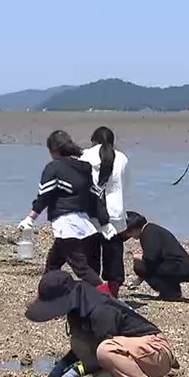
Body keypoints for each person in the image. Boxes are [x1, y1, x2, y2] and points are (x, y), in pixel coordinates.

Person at [25, 270, 179, 377]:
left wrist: (74, 372)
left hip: (156, 353)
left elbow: (99, 353)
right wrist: (59, 370)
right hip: (133, 351)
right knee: (79, 342)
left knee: (105, 350)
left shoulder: (100, 309)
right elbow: (85, 350)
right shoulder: (79, 304)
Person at [18, 130, 116, 290]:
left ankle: (108, 299)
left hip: (66, 226)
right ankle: (45, 296)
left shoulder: (53, 168)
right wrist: (104, 222)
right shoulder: (84, 167)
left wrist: (30, 218)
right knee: (53, 263)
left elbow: (44, 197)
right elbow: (94, 196)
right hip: (85, 225)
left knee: (82, 269)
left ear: (53, 150)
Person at [80, 127, 130, 298]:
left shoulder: (85, 156)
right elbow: (125, 186)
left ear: (93, 141)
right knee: (114, 256)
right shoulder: (122, 158)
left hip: (92, 215)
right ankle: (112, 294)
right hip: (115, 215)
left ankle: (91, 293)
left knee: (90, 256)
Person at [120, 211, 189, 301]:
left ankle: (168, 292)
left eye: (129, 232)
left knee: (140, 266)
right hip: (181, 266)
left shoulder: (148, 233)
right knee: (147, 264)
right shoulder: (150, 230)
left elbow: (151, 258)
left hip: (180, 267)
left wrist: (138, 257)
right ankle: (173, 291)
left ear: (134, 228)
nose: (129, 235)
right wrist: (138, 280)